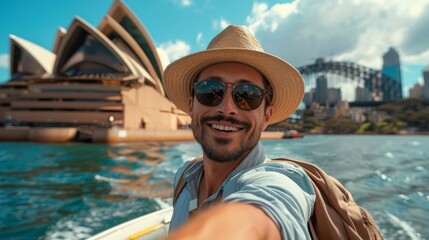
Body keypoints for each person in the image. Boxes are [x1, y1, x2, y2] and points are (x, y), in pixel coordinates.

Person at [162, 25, 315, 239]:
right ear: (191, 105)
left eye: (248, 95)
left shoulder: (279, 182)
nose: (227, 108)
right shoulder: (183, 178)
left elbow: (263, 217)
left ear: (266, 116)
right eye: (210, 91)